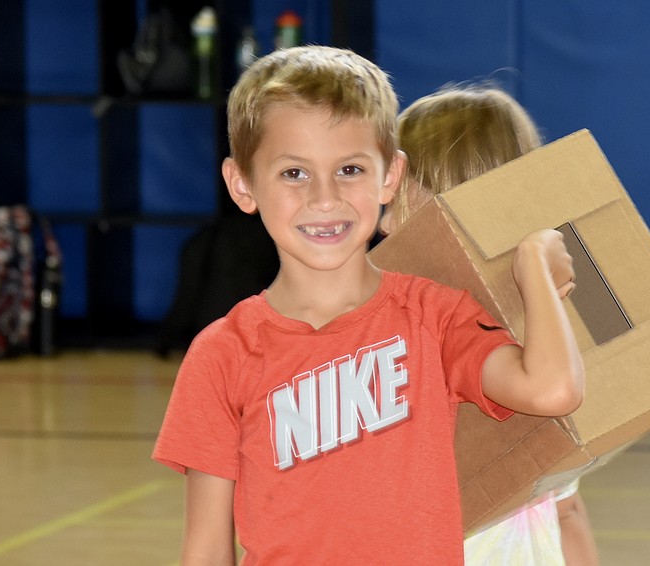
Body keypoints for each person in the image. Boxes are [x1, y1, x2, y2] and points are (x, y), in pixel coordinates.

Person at [153, 46, 584, 565]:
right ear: (242, 185)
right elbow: (205, 547)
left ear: (390, 176)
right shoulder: (221, 354)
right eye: (294, 173)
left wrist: (533, 263)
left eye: (350, 169)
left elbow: (553, 390)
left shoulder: (434, 317)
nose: (324, 198)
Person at [379, 84, 599, 565]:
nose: (385, 226)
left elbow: (565, 507)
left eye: (398, 203)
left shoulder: (454, 330)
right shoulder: (534, 328)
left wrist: (534, 264)